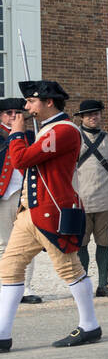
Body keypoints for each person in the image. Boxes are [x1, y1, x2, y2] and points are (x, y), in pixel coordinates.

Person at [0, 80, 103, 352]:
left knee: (69, 268)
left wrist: (16, 133)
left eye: (31, 102)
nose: (26, 108)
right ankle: (2, 334)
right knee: (8, 268)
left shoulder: (64, 130)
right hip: (31, 212)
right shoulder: (49, 129)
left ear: (48, 102)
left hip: (52, 211)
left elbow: (21, 160)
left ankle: (90, 324)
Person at [72, 98, 108, 298]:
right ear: (81, 118)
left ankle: (103, 284)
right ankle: (83, 284)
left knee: (104, 242)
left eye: (96, 113)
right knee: (81, 244)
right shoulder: (73, 138)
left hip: (106, 200)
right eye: (89, 115)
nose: (93, 117)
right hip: (79, 200)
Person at [0, 99, 40, 306]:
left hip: (26, 193)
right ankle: (5, 285)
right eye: (8, 112)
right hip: (3, 194)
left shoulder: (32, 135)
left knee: (28, 242)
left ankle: (25, 287)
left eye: (17, 112)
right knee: (4, 243)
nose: (13, 116)